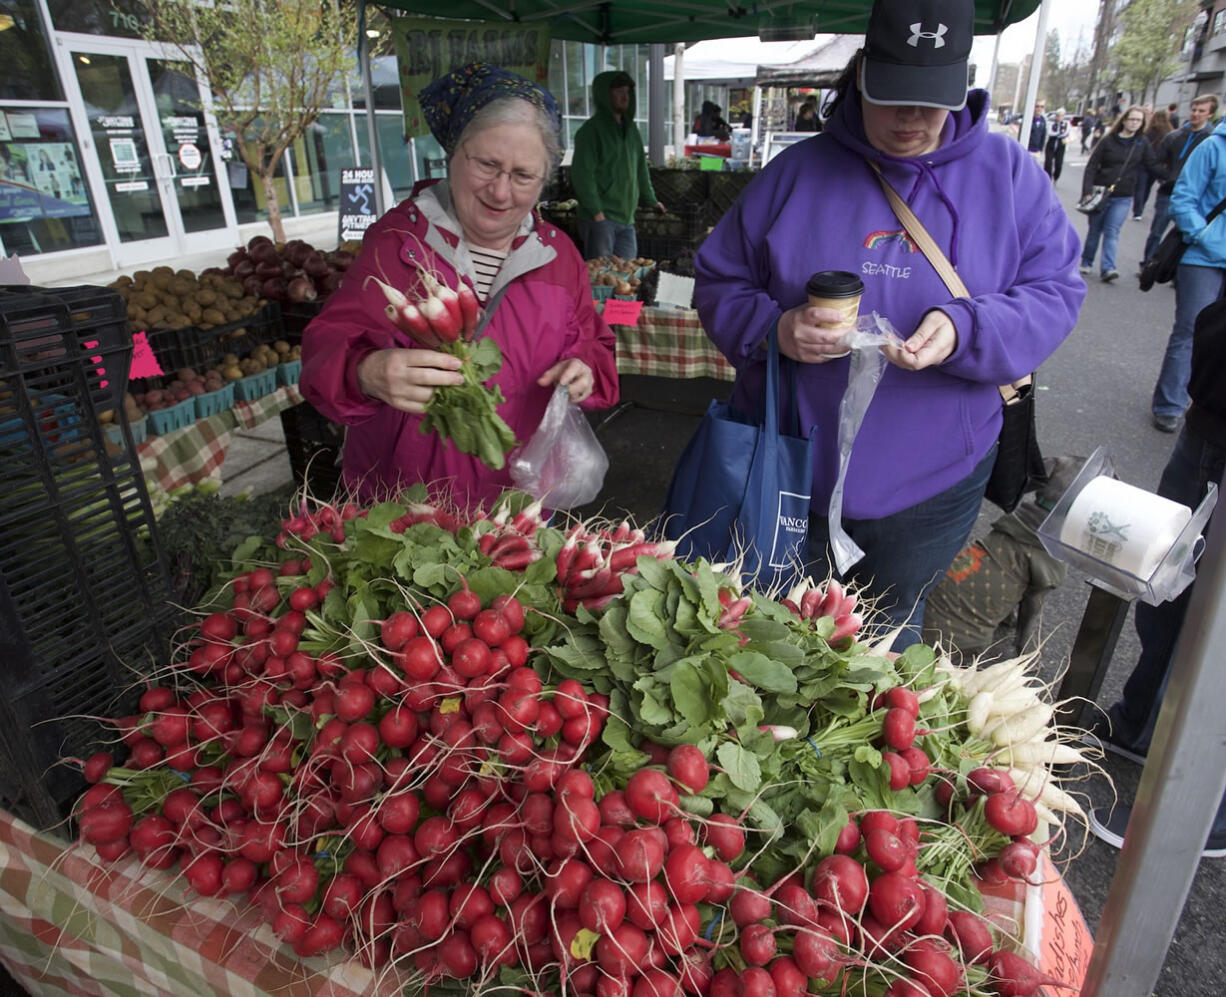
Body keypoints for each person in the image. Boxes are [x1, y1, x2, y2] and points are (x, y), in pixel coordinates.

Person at [691, 0, 1085, 649]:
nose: (911, 120)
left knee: (893, 634)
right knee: (780, 631)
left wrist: (966, 329)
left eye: (931, 101)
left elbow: (1056, 291)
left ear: (962, 83)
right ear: (862, 74)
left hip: (937, 478)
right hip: (796, 466)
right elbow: (719, 280)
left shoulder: (1011, 177)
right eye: (893, 96)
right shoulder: (795, 173)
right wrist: (777, 329)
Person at [299, 63, 619, 508]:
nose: (501, 192)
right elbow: (323, 353)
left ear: (544, 181)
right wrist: (365, 374)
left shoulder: (560, 257)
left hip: (514, 507)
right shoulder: (396, 244)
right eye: (487, 164)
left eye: (523, 175)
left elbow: (595, 349)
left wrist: (584, 371)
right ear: (453, 155)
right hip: (402, 506)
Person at [1088, 296, 1226, 858]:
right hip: (1211, 421)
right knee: (1165, 593)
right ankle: (1140, 722)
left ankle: (1195, 809)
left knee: (1215, 639)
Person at [1151, 108, 1226, 433]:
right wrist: (1206, 238)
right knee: (1191, 332)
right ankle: (1169, 404)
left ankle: (1208, 402)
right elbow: (1183, 200)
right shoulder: (1213, 147)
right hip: (1202, 257)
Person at [570, 70, 665, 261]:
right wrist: (597, 213)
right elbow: (582, 175)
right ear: (605, 95)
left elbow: (640, 170)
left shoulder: (632, 131)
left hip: (627, 219)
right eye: (618, 91)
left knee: (628, 276)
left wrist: (651, 200)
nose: (625, 96)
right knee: (601, 278)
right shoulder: (590, 132)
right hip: (600, 219)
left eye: (627, 91)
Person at [1079, 105, 1151, 283]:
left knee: (1112, 231)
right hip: (1101, 193)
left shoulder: (1141, 143)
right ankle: (1087, 261)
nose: (1134, 123)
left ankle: (1108, 268)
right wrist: (1087, 191)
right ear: (1124, 120)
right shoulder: (1108, 140)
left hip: (1123, 195)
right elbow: (1092, 166)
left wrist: (1172, 177)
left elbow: (1152, 164)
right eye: (1131, 119)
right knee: (1095, 230)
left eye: (1138, 120)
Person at [1144, 93, 1218, 263]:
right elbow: (1155, 162)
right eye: (1194, 109)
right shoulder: (1174, 136)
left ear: (1210, 114)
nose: (1196, 114)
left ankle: (1176, 268)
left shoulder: (1211, 141)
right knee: (1156, 232)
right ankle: (1148, 264)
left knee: (1185, 234)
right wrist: (1168, 177)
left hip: (1196, 199)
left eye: (1201, 111)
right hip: (1169, 192)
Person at [1133, 107, 1173, 220]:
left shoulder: (1148, 131)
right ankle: (1141, 206)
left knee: (1140, 187)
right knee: (1148, 187)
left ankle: (1138, 211)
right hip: (1157, 165)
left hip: (1144, 164)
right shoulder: (1169, 132)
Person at [1044, 106, 1070, 181]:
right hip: (1051, 143)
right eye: (1058, 115)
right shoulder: (1052, 123)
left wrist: (1059, 134)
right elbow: (1050, 132)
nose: (1059, 117)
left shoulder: (1066, 124)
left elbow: (1066, 133)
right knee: (1048, 163)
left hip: (1061, 144)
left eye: (1061, 115)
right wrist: (1058, 133)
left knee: (1059, 164)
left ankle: (1056, 176)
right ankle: (1048, 178)